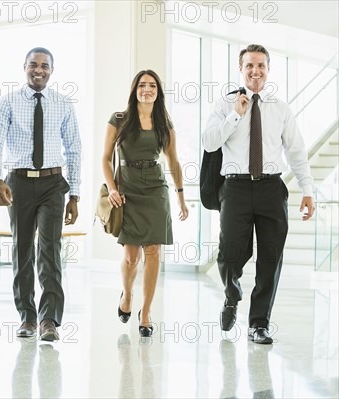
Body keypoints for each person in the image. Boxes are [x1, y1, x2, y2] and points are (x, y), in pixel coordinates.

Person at [202, 44, 315, 344]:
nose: (255, 71)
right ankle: (231, 295)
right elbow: (210, 142)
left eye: (261, 66)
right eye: (250, 65)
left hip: (271, 188)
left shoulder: (280, 107)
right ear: (241, 69)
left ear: (268, 70)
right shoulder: (225, 103)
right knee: (230, 252)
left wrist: (307, 189)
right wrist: (235, 115)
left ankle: (259, 323)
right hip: (235, 188)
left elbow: (296, 150)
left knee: (270, 257)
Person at [0, 47, 81, 341]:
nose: (39, 70)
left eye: (45, 66)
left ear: (52, 70)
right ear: (24, 67)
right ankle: (27, 316)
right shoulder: (8, 102)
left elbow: (74, 149)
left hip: (53, 183)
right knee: (22, 249)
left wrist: (75, 195)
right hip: (19, 184)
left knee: (50, 250)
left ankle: (48, 319)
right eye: (33, 65)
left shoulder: (63, 104)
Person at [103, 70, 189, 337]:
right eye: (142, 85)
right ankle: (127, 295)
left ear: (158, 91)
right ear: (134, 89)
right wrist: (112, 189)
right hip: (128, 190)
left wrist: (180, 196)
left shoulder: (164, 122)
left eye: (152, 85)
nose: (147, 89)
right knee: (131, 258)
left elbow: (173, 160)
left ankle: (146, 312)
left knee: (153, 252)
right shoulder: (119, 119)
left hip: (155, 189)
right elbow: (105, 159)